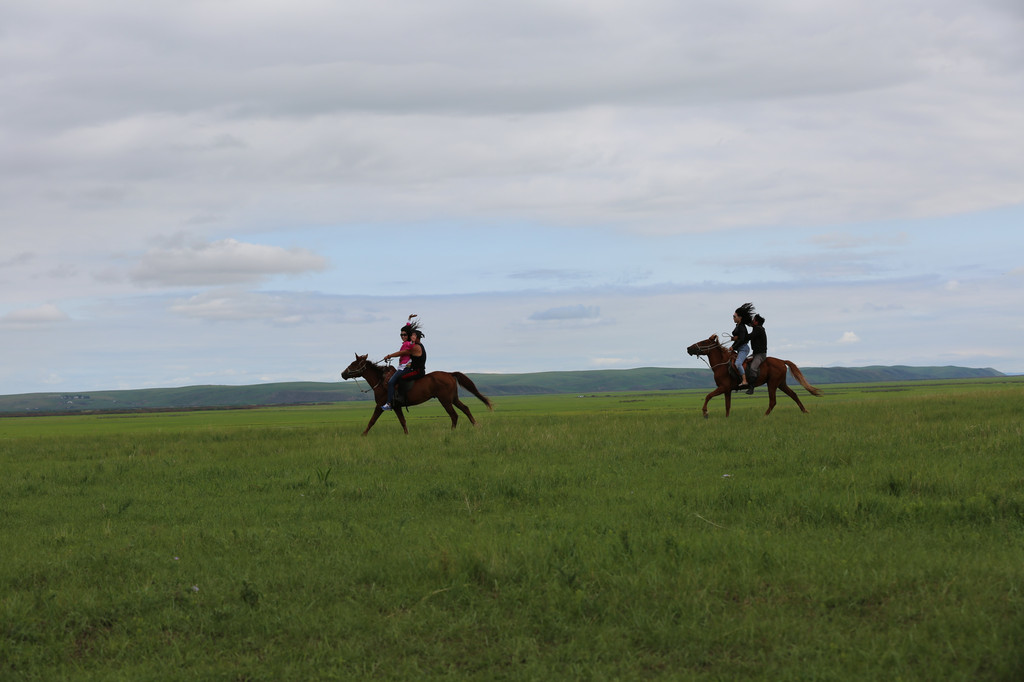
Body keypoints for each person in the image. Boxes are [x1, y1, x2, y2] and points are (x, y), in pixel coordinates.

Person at [380, 318, 425, 411]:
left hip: (411, 369)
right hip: (406, 367)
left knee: (393, 381)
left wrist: (389, 356)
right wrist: (409, 320)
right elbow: (407, 330)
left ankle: (392, 402)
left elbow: (403, 352)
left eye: (405, 335)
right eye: (401, 334)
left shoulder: (412, 345)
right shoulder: (409, 343)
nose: (402, 336)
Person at [731, 302, 756, 389]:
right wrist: (734, 339)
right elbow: (740, 338)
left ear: (740, 318)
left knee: (738, 363)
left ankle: (744, 380)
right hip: (739, 348)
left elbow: (742, 340)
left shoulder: (741, 327)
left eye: (734, 316)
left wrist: (733, 347)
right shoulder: (738, 325)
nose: (733, 318)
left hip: (743, 349)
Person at [746, 314, 766, 394]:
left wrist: (740, 337)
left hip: (760, 355)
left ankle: (751, 388)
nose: (752, 321)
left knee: (753, 368)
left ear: (757, 322)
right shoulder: (756, 328)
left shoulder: (758, 329)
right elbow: (750, 324)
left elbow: (750, 336)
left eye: (754, 320)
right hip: (755, 353)